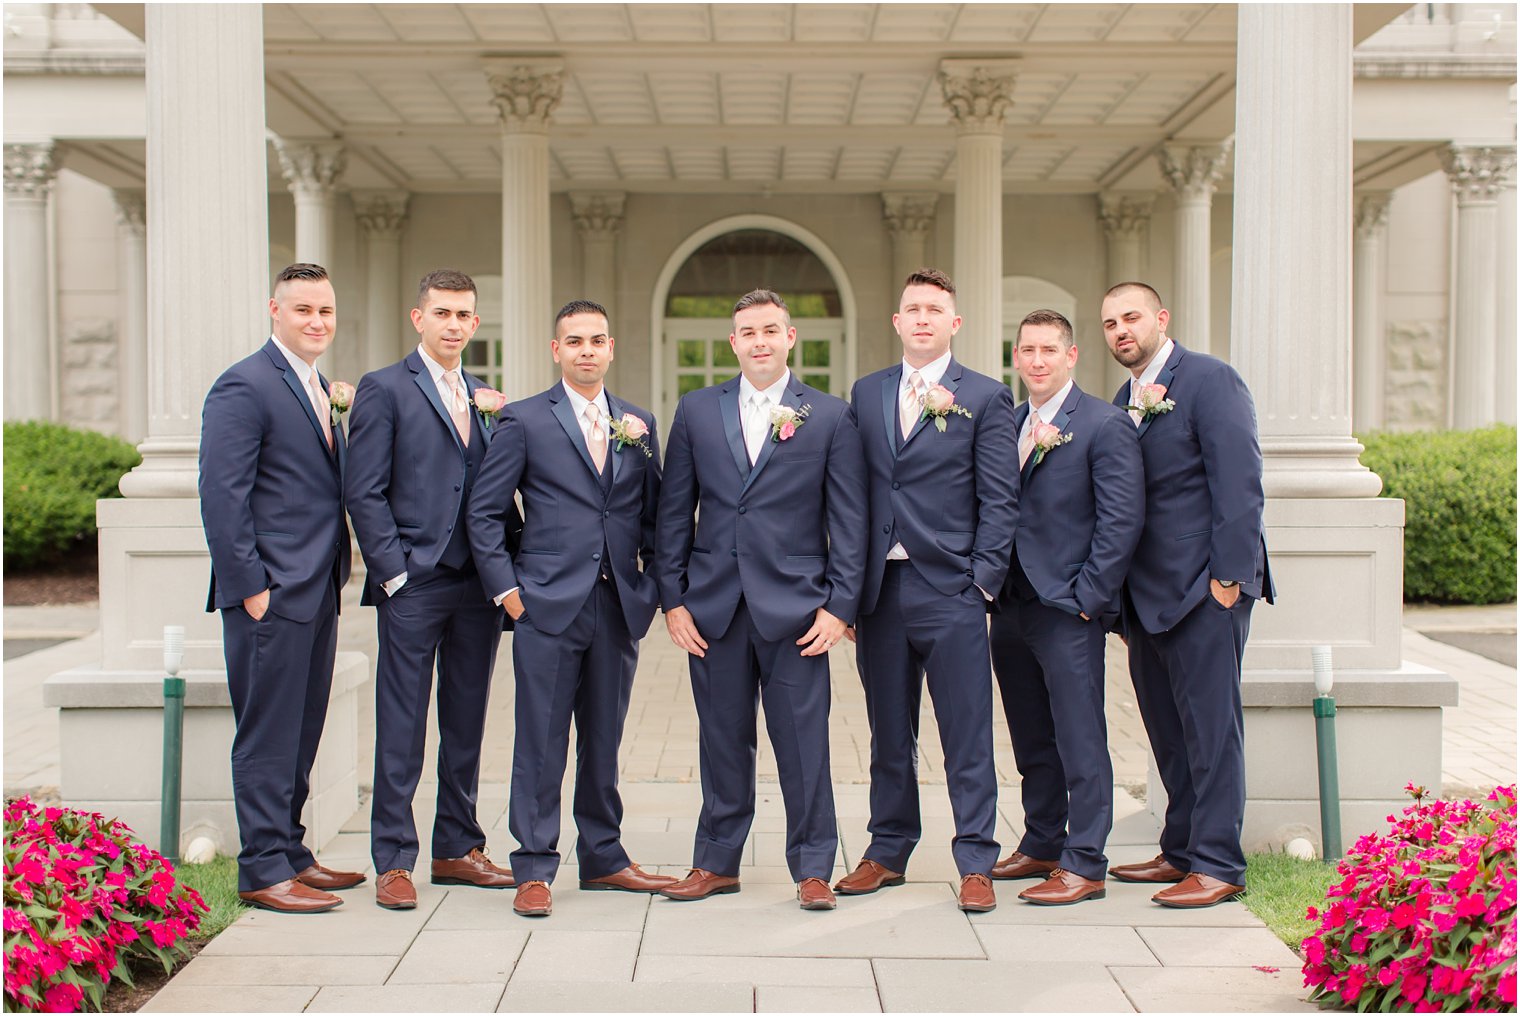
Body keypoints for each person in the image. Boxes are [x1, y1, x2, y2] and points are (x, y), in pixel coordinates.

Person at [654, 289, 867, 912]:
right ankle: (716, 862)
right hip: (713, 609)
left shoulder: (828, 415)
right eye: (748, 331)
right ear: (733, 342)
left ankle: (812, 868)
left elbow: (848, 520)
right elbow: (675, 513)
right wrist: (674, 600)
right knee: (721, 740)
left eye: (770, 330)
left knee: (804, 743)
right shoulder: (696, 410)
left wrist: (840, 606)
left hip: (798, 610)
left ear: (790, 336)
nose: (760, 341)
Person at [466, 299, 675, 918]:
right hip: (545, 606)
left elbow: (656, 514)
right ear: (557, 350)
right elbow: (485, 512)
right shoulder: (525, 420)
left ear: (612, 348)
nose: (588, 350)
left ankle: (605, 857)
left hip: (616, 605)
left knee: (605, 739)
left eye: (598, 340)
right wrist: (509, 592)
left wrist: (654, 584)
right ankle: (533, 866)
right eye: (575, 341)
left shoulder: (637, 422)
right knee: (540, 739)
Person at [838, 268, 1018, 913]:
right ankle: (888, 850)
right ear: (897, 321)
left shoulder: (986, 396)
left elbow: (1000, 498)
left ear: (954, 322)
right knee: (888, 731)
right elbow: (851, 494)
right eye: (911, 308)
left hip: (952, 590)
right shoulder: (866, 392)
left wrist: (982, 583)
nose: (921, 319)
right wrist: (848, 590)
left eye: (933, 309)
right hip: (879, 592)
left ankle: (975, 859)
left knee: (965, 731)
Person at [1100, 281, 1273, 909]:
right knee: (1167, 730)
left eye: (1132, 318)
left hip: (1206, 589)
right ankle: (1180, 849)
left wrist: (1228, 579)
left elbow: (1240, 482)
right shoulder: (1125, 398)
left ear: (1161, 319)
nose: (1121, 331)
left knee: (1211, 729)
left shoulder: (1210, 379)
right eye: (1110, 323)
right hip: (1147, 597)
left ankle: (1220, 862)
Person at [345, 269, 514, 911]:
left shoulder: (483, 395)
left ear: (474, 324)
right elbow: (363, 490)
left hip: (477, 584)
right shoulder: (384, 388)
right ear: (418, 318)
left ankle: (457, 847)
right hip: (413, 583)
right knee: (403, 722)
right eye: (441, 312)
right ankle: (393, 858)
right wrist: (392, 571)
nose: (452, 324)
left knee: (467, 719)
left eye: (463, 315)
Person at [199, 262, 363, 913]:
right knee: (268, 731)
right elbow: (222, 494)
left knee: (302, 725)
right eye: (303, 311)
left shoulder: (318, 385)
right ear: (275, 310)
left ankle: (292, 852)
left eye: (325, 311)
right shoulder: (244, 385)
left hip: (317, 587)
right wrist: (251, 587)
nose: (317, 322)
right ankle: (263, 867)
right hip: (270, 592)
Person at [987, 309, 1143, 906]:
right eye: (1027, 350)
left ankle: (1086, 862)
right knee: (1031, 737)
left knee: (1080, 736)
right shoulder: (1010, 423)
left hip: (1068, 607)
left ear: (1071, 356)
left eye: (1049, 350)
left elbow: (1121, 519)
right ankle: (1043, 841)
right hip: (1010, 606)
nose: (1036, 361)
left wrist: (1089, 600)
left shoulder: (1104, 424)